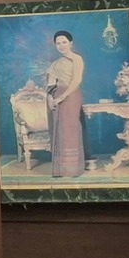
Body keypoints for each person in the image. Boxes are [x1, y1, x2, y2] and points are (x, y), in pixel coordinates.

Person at [45, 30, 86, 178]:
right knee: (60, 130)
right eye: (58, 43)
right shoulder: (55, 64)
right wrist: (51, 99)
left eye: (64, 42)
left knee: (71, 129)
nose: (61, 45)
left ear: (71, 43)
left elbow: (76, 81)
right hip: (57, 99)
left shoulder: (77, 59)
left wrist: (62, 97)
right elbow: (51, 84)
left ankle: (72, 169)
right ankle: (60, 169)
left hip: (71, 96)